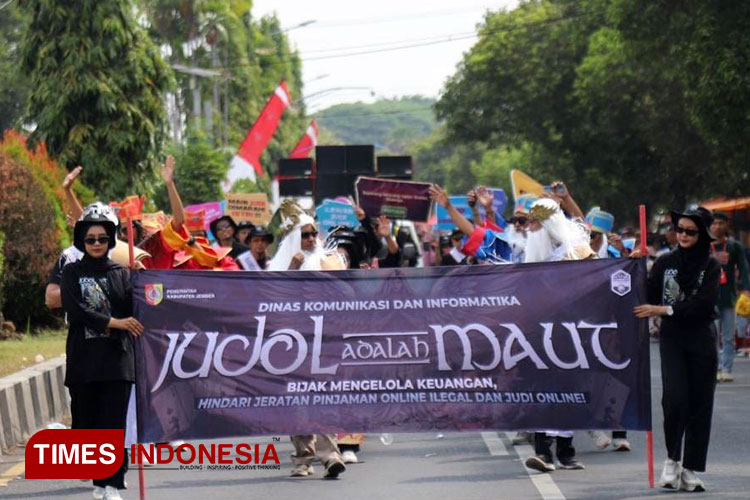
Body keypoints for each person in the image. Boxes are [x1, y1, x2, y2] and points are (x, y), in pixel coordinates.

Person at [634, 207, 721, 492]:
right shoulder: (664, 262)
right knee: (674, 400)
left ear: (703, 235)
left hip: (702, 339)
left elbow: (704, 306)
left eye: (690, 232)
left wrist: (663, 309)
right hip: (672, 339)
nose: (682, 235)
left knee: (699, 404)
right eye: (679, 229)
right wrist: (633, 265)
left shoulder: (711, 265)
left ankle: (691, 469)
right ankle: (672, 459)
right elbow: (645, 293)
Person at [60, 205, 144, 500]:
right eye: (90, 239)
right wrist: (114, 322)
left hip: (118, 361)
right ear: (81, 241)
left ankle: (112, 485)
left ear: (111, 242)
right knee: (87, 424)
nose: (96, 244)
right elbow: (75, 309)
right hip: (84, 361)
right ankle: (98, 480)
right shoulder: (71, 272)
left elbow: (136, 310)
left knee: (113, 425)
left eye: (102, 239)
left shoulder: (122, 273)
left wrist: (141, 284)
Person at [709, 212, 750, 382]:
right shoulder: (705, 245)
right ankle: (714, 368)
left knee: (727, 336)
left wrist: (747, 289)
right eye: (714, 223)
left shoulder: (734, 246)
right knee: (711, 335)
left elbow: (744, 268)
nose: (717, 226)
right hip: (708, 298)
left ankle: (726, 368)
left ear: (727, 225)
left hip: (728, 297)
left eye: (721, 223)